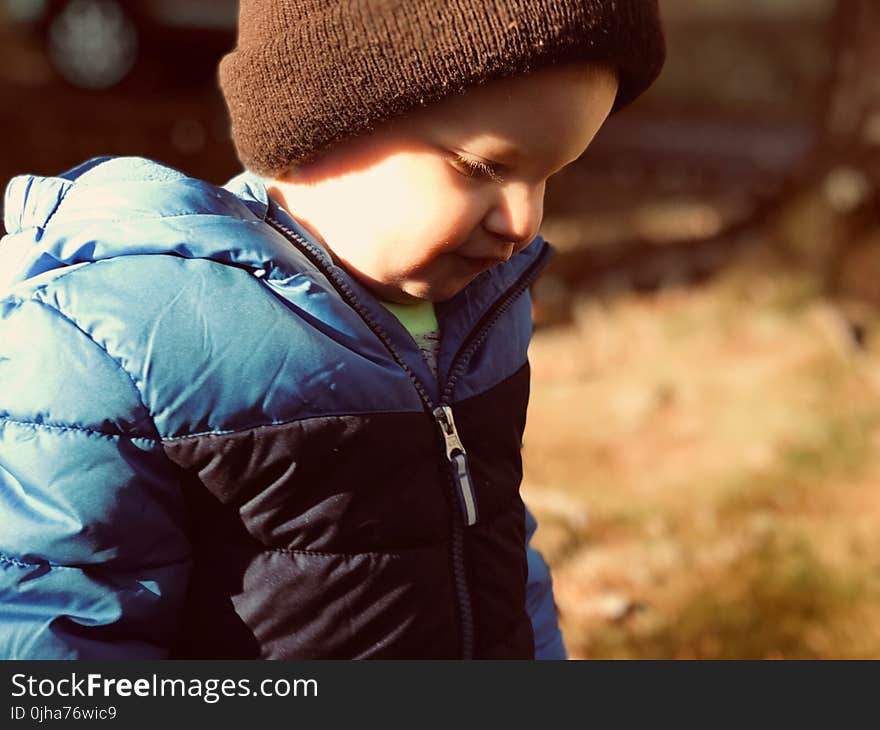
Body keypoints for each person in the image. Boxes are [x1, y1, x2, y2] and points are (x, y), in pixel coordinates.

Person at [0, 0, 665, 659]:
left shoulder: (480, 311)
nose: (523, 223)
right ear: (322, 122)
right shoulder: (122, 342)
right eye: (482, 168)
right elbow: (58, 638)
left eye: (550, 175)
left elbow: (495, 546)